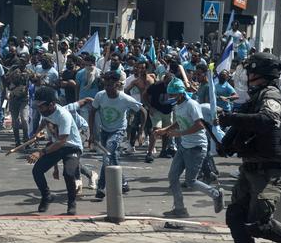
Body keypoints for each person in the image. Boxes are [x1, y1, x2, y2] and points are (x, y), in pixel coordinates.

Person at [219, 52, 281, 243]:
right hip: (250, 167)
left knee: (258, 223)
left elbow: (268, 120)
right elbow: (244, 131)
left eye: (252, 72)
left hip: (271, 170)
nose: (248, 77)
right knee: (236, 218)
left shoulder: (272, 94)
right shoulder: (254, 98)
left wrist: (231, 118)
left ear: (262, 74)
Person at [152, 77, 224, 218]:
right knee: (173, 177)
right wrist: (165, 130)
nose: (171, 97)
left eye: (173, 94)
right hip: (184, 146)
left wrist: (179, 134)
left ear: (180, 93)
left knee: (191, 181)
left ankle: (215, 194)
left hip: (196, 147)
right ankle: (179, 209)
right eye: (170, 94)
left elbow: (199, 125)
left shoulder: (191, 104)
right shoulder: (178, 106)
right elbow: (179, 122)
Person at [27, 87, 83, 215]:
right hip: (57, 145)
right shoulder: (46, 112)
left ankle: (71, 202)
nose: (39, 109)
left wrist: (40, 152)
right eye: (38, 106)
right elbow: (45, 120)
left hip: (71, 147)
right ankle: (47, 196)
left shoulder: (64, 116)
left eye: (41, 106)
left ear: (51, 104)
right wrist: (37, 132)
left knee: (69, 174)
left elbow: (62, 141)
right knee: (37, 170)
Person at [90, 70, 145, 199]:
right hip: (104, 130)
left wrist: (141, 131)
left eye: (111, 85)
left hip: (118, 130)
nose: (108, 88)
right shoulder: (100, 96)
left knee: (107, 154)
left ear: (117, 85)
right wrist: (92, 133)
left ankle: (101, 187)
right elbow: (92, 112)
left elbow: (143, 111)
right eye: (106, 85)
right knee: (111, 156)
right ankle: (123, 181)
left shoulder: (124, 98)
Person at [143, 72, 175, 160]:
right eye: (167, 82)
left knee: (166, 131)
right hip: (156, 110)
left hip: (168, 111)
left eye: (170, 83)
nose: (168, 85)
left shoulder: (175, 86)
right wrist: (149, 107)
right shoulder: (156, 86)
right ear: (164, 80)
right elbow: (144, 95)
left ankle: (163, 151)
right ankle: (149, 153)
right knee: (156, 130)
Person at [5, 58, 32, 147]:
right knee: (15, 121)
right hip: (13, 97)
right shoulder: (13, 70)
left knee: (24, 119)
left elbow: (35, 79)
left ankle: (26, 139)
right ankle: (17, 140)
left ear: (26, 62)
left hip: (24, 98)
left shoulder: (28, 71)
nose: (22, 63)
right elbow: (6, 79)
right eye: (20, 61)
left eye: (24, 61)